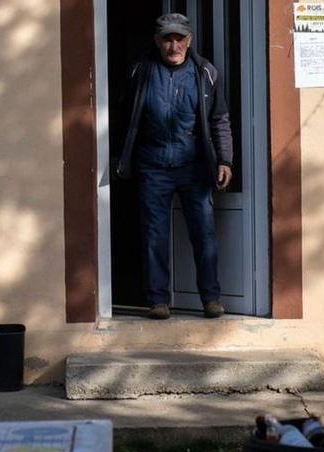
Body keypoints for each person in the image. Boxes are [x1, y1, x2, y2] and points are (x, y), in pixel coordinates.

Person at [115, 13, 233, 320]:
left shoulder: (205, 72)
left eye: (179, 39)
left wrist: (225, 160)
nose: (173, 45)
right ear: (157, 41)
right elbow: (123, 117)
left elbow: (219, 119)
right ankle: (158, 300)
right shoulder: (140, 70)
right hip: (152, 165)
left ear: (189, 40)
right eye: (167, 39)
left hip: (194, 166)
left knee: (203, 233)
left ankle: (211, 298)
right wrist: (122, 157)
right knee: (154, 234)